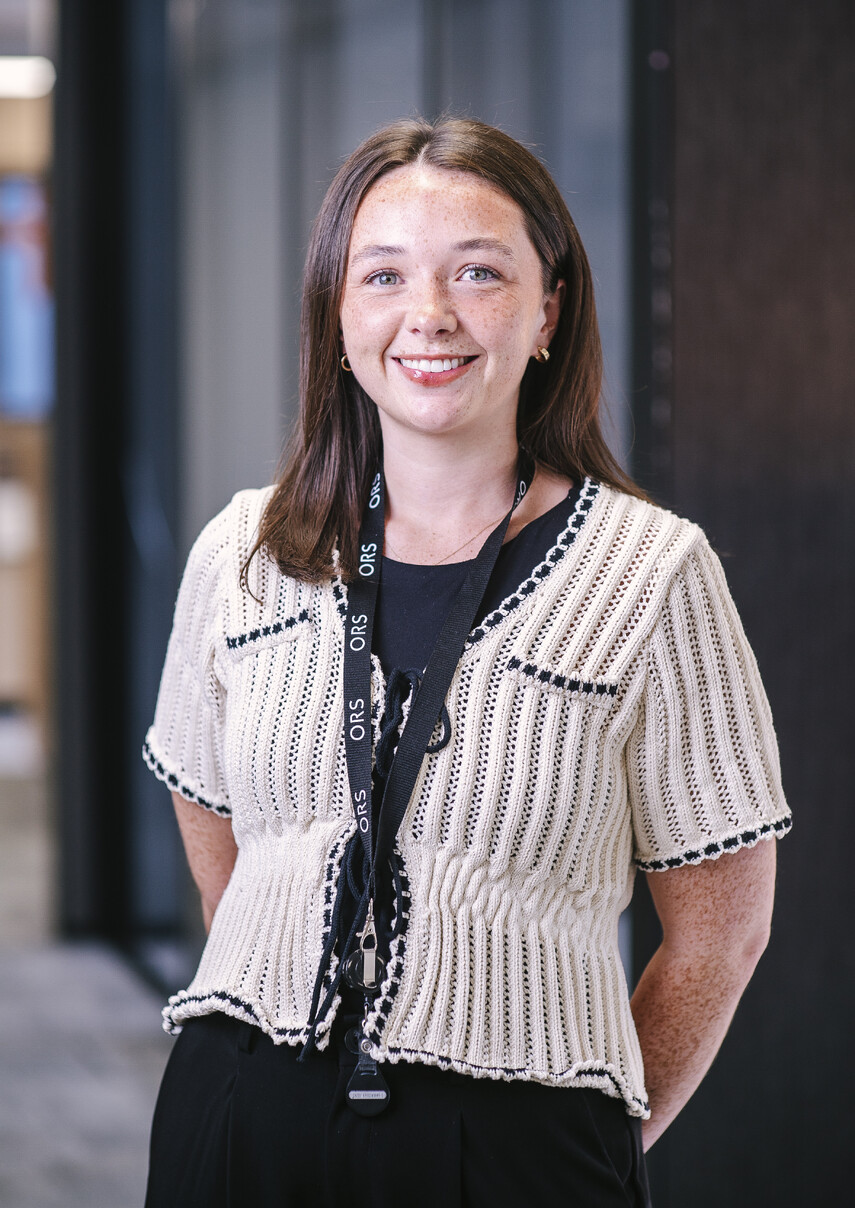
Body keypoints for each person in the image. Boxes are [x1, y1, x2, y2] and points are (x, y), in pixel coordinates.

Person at [142, 117, 791, 1207]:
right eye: (383, 274)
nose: (428, 316)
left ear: (549, 309)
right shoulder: (243, 552)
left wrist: (595, 1132)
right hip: (241, 1116)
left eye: (479, 272)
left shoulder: (653, 571)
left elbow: (721, 933)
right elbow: (224, 837)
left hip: (512, 1145)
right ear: (338, 313)